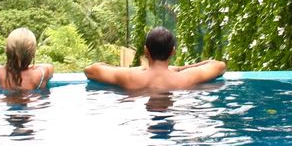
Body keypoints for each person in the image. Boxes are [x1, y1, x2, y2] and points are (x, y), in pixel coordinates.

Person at [83, 26, 225, 91]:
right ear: (173, 52)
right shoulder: (186, 78)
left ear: (146, 51)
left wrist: (139, 69)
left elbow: (91, 70)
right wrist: (181, 68)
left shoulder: (129, 77)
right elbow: (219, 66)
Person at [0, 27, 54, 91]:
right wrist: (29, 66)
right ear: (33, 53)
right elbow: (49, 67)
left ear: (7, 50)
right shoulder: (42, 73)